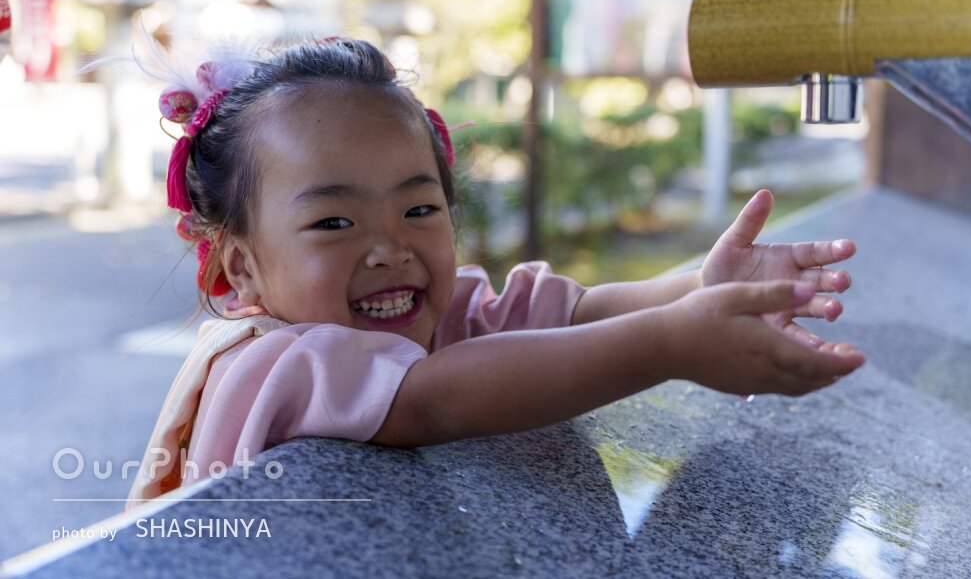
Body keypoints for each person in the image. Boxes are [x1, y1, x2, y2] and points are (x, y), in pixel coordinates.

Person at [128, 36, 865, 505]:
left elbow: (563, 317)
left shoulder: (420, 308)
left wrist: (700, 287)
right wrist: (670, 343)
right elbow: (430, 400)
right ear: (242, 265)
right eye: (333, 222)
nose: (389, 248)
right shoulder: (266, 361)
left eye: (418, 209)